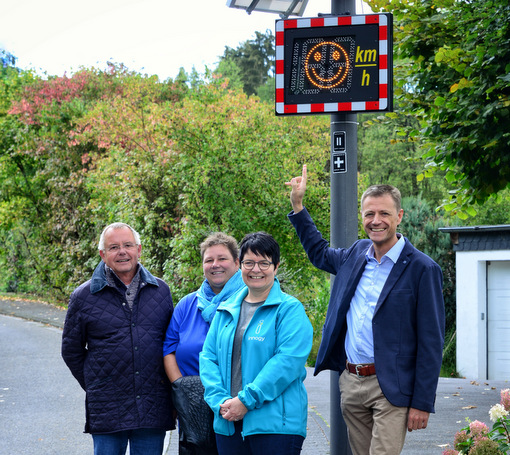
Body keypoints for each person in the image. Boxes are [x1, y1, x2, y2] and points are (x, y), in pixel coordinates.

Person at [286, 165, 445, 455]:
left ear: (399, 216)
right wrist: (298, 206)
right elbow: (319, 252)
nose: (376, 221)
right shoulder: (355, 253)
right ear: (362, 217)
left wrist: (422, 401)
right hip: (352, 381)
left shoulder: (423, 269)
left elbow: (431, 341)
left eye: (384, 213)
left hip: (392, 387)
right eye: (369, 214)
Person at [61, 222, 175, 455]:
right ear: (103, 254)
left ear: (139, 250)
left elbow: (170, 344)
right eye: (114, 247)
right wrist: (96, 385)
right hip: (107, 408)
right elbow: (71, 350)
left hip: (152, 405)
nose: (122, 252)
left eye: (128, 245)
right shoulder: (83, 296)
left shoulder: (161, 291)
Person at [199, 231, 313, 455]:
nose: (256, 270)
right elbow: (208, 358)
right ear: (240, 265)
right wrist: (220, 401)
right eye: (249, 263)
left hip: (275, 427)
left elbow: (286, 363)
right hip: (228, 423)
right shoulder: (225, 310)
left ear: (276, 266)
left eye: (264, 263)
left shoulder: (289, 310)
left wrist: (245, 401)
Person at [163, 232, 245, 455]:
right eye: (209, 260)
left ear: (237, 262)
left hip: (238, 405)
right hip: (194, 408)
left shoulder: (250, 301)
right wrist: (184, 390)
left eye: (222, 259)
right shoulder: (187, 304)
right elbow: (168, 350)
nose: (215, 265)